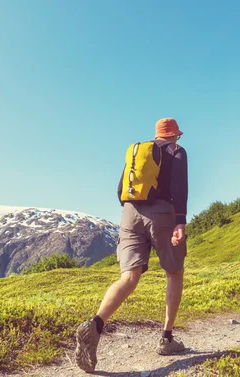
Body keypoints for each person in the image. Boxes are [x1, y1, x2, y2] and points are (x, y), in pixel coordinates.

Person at [74, 118, 189, 373]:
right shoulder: (176, 151)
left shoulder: (139, 151)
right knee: (174, 272)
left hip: (129, 212)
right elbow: (179, 188)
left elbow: (120, 189)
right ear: (174, 136)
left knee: (129, 277)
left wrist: (135, 212)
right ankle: (167, 338)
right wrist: (179, 221)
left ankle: (95, 324)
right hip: (163, 213)